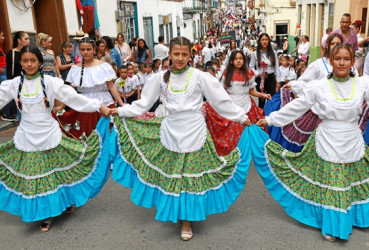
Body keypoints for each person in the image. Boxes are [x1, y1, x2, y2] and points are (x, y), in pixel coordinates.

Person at [109, 36, 253, 241]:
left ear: (190, 55)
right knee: (175, 175)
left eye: (184, 54)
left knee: (190, 177)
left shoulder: (200, 77)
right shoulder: (159, 78)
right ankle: (179, 211)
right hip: (170, 131)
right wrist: (121, 111)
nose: (180, 58)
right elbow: (143, 104)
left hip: (195, 132)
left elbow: (220, 101)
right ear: (169, 54)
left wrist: (241, 117)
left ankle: (186, 220)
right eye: (176, 54)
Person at [255, 43, 369, 241]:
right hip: (328, 139)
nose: (342, 63)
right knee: (333, 182)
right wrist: (271, 119)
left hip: (353, 140)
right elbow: (297, 107)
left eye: (346, 59)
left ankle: (349, 217)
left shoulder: (365, 85)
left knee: (348, 182)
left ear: (353, 61)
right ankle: (333, 224)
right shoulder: (320, 86)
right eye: (338, 59)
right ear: (330, 61)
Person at [0, 45, 112, 232]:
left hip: (49, 134)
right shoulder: (13, 84)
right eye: (25, 60)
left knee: (56, 173)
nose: (29, 64)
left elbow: (74, 98)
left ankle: (53, 210)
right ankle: (46, 212)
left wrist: (99, 106)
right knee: (35, 174)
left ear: (39, 62)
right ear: (20, 62)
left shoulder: (51, 83)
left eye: (33, 60)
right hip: (26, 136)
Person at [56, 38, 124, 139]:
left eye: (88, 49)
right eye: (82, 50)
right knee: (85, 133)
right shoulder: (75, 68)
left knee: (106, 134)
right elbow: (71, 90)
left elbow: (111, 86)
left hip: (104, 102)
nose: (85, 52)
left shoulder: (104, 66)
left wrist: (121, 103)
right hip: (83, 103)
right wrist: (62, 105)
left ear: (94, 50)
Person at [205, 50, 270, 156]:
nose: (238, 61)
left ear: (244, 60)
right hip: (231, 104)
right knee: (231, 132)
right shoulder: (227, 73)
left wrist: (263, 95)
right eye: (236, 59)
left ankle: (246, 152)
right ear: (231, 61)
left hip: (247, 104)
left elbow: (251, 91)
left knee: (248, 131)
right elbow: (221, 91)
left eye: (240, 58)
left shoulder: (249, 73)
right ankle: (235, 153)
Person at [3, 31, 30, 122]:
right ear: (19, 40)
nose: (28, 41)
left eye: (28, 39)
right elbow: (9, 71)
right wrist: (12, 84)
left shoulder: (29, 52)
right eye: (26, 39)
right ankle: (23, 127)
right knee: (21, 107)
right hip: (18, 83)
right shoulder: (12, 53)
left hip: (30, 82)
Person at [249, 33, 280, 109]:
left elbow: (276, 67)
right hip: (260, 79)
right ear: (259, 41)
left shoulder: (274, 53)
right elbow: (251, 67)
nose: (264, 42)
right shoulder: (255, 54)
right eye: (262, 40)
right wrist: (258, 74)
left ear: (269, 41)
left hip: (271, 78)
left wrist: (278, 81)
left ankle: (271, 116)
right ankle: (261, 117)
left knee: (272, 98)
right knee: (262, 99)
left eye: (266, 40)